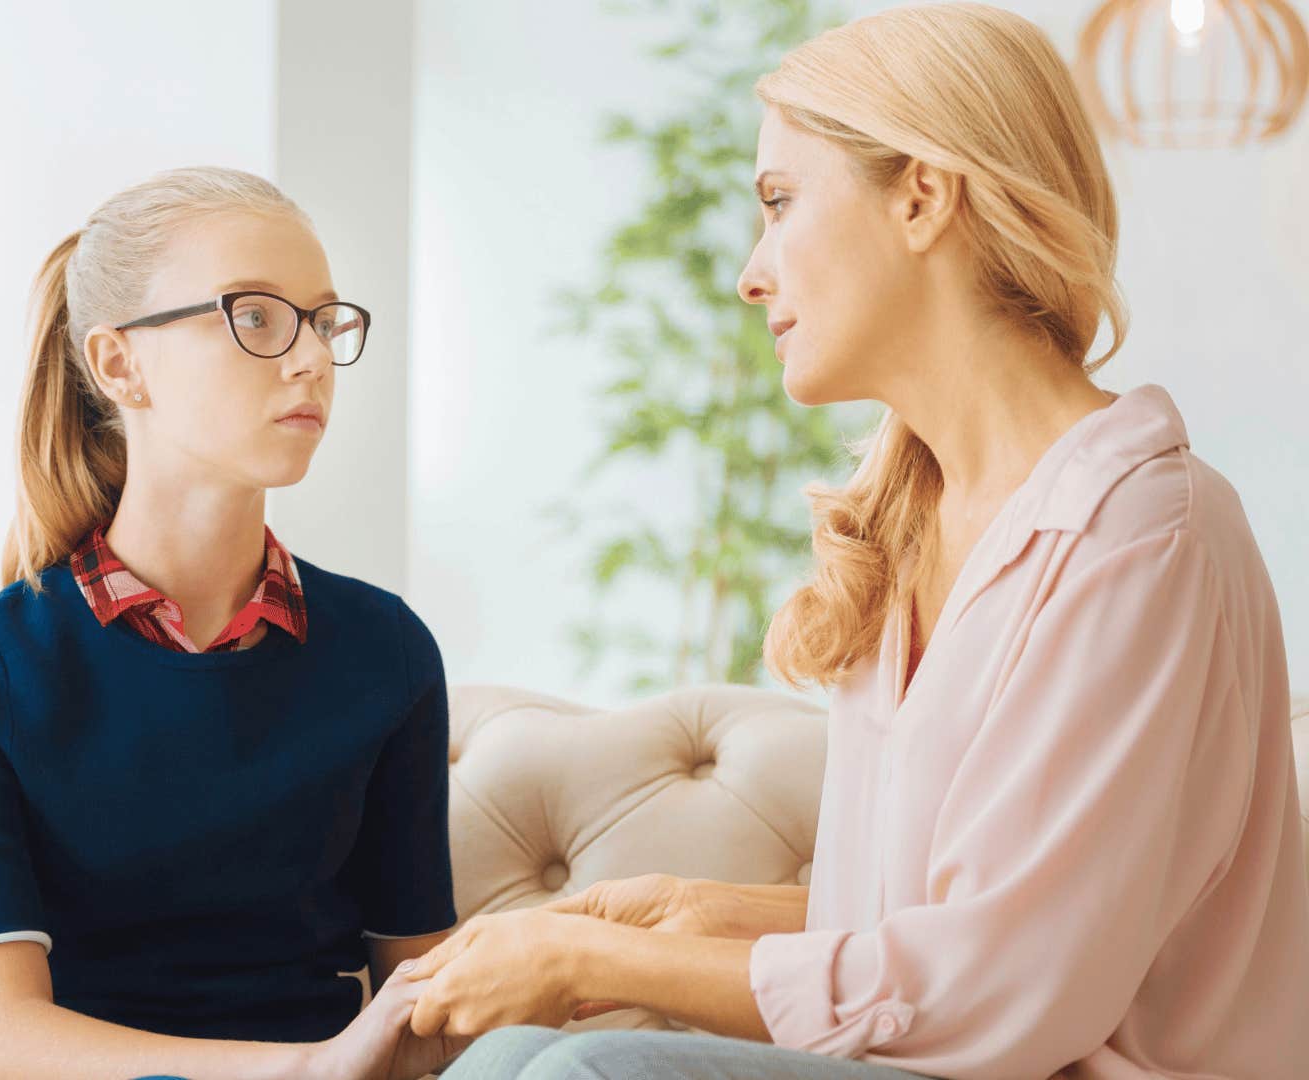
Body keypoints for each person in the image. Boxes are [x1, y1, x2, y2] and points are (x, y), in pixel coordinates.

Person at [409, 6, 1309, 1078]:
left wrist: (592, 957)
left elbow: (1006, 988)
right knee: (512, 1056)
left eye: (780, 203)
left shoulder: (1145, 533)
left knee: (584, 1073)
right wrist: (707, 913)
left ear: (922, 196)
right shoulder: (910, 521)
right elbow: (946, 924)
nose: (752, 274)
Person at [0, 166, 469, 1080]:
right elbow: (5, 1047)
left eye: (324, 321)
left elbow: (426, 1008)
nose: (313, 358)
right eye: (256, 317)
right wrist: (312, 1071)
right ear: (119, 362)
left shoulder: (386, 651)